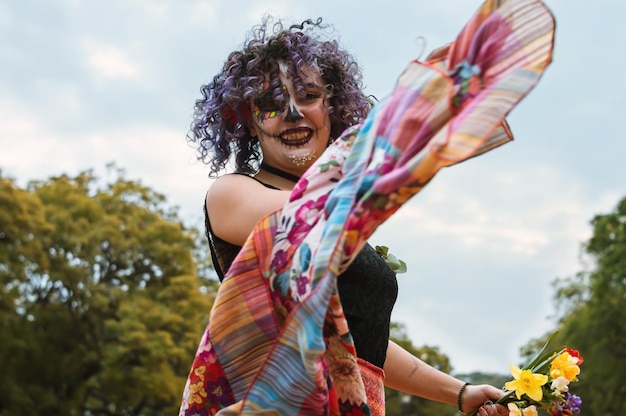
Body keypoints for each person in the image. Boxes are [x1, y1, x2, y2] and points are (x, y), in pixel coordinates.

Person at [180, 1, 555, 415]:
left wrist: (461, 392)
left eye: (308, 95)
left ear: (332, 107)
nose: (291, 112)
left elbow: (364, 343)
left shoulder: (347, 210)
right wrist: (407, 123)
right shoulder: (233, 194)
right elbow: (316, 214)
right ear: (249, 121)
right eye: (270, 102)